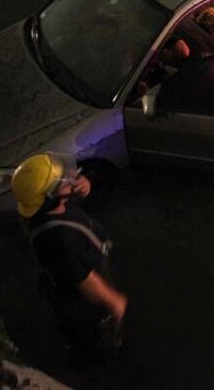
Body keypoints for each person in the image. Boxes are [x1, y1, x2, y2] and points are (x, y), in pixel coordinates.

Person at [11, 153, 127, 366]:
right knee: (93, 334)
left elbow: (64, 199)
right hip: (80, 301)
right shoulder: (59, 241)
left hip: (74, 271)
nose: (69, 178)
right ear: (50, 197)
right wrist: (114, 301)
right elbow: (86, 282)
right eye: (62, 181)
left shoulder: (41, 208)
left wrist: (84, 185)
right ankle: (100, 361)